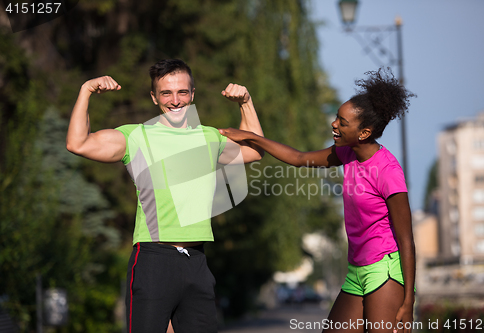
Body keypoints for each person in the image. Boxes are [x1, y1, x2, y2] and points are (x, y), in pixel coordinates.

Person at [66, 59, 264, 333]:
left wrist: (246, 102)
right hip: (153, 259)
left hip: (196, 262)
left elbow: (255, 149)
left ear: (192, 94)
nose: (175, 100)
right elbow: (78, 143)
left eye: (182, 92)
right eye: (166, 93)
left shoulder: (209, 137)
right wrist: (86, 90)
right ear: (154, 97)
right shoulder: (136, 136)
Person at [219, 68, 416, 333]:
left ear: (365, 132)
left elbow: (406, 239)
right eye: (337, 117)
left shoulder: (388, 171)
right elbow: (300, 159)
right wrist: (253, 138)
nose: (334, 124)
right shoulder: (346, 153)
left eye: (343, 123)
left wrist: (408, 302)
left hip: (385, 270)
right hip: (357, 269)